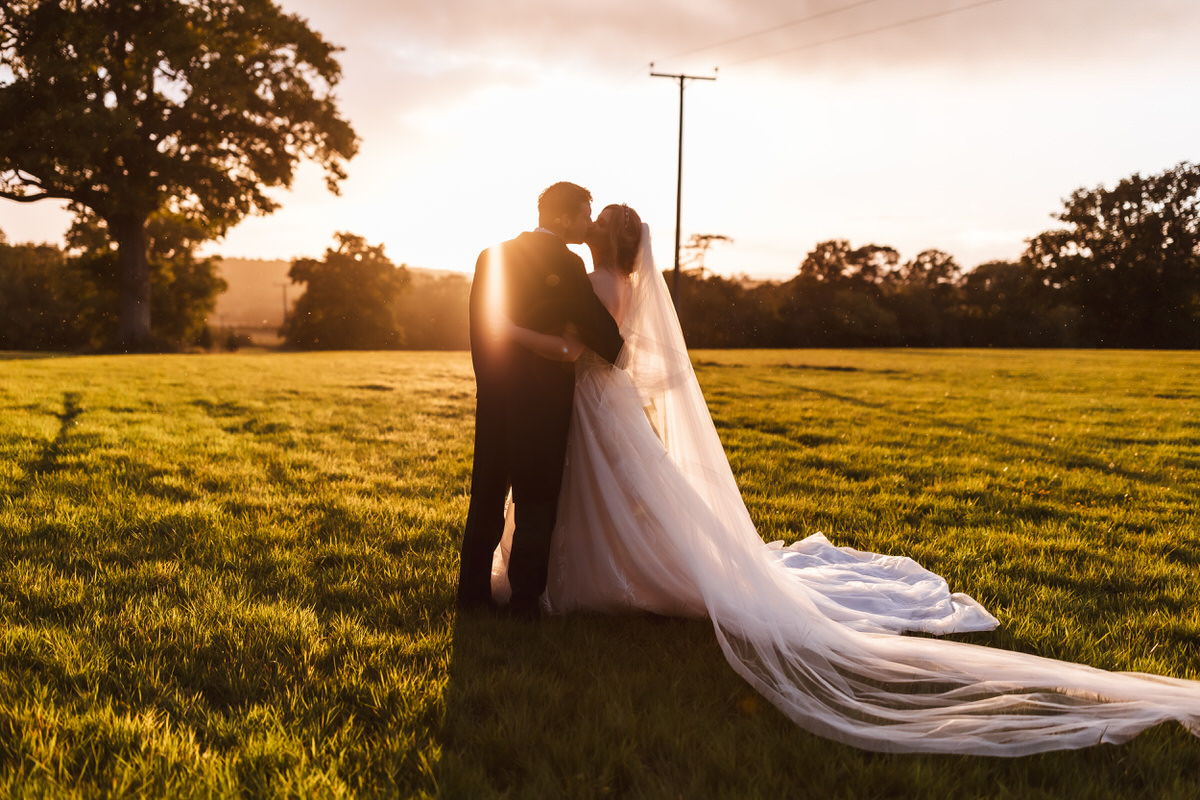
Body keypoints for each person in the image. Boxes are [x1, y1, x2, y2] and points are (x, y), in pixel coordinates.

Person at [486, 205, 1200, 755]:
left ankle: (577, 577)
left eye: (594, 225)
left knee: (605, 493)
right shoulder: (622, 281)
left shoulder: (593, 281)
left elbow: (583, 342)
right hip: (606, 400)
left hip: (589, 395)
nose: (585, 232)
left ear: (605, 240)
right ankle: (602, 573)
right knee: (634, 496)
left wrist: (518, 333)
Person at [456, 182, 624, 620]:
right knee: (536, 501)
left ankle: (471, 597)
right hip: (543, 402)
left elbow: (481, 331)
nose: (587, 224)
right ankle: (525, 602)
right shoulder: (565, 263)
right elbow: (591, 321)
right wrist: (616, 345)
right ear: (564, 218)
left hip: (493, 397)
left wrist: (491, 384)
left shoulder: (489, 256)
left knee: (486, 496)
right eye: (585, 215)